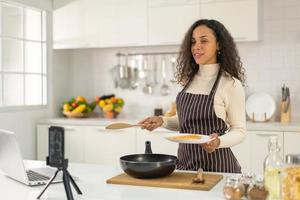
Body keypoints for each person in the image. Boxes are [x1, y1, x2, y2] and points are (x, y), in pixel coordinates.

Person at [139, 19, 246, 173]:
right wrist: (161, 121)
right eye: (193, 42)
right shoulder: (189, 80)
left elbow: (240, 131)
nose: (197, 46)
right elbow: (187, 122)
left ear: (219, 45)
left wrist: (218, 142)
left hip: (217, 169)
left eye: (204, 41)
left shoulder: (230, 84)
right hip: (185, 166)